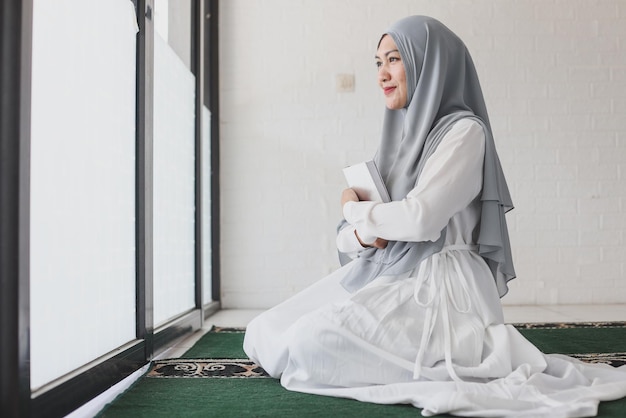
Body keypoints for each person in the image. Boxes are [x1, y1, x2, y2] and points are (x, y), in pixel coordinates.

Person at [243, 15, 626, 417]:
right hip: (388, 272)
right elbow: (352, 238)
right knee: (263, 332)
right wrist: (362, 232)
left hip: (443, 291)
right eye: (377, 62)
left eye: (394, 59)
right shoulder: (400, 142)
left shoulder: (464, 133)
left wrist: (353, 208)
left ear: (431, 64)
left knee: (308, 342)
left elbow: (422, 220)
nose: (382, 74)